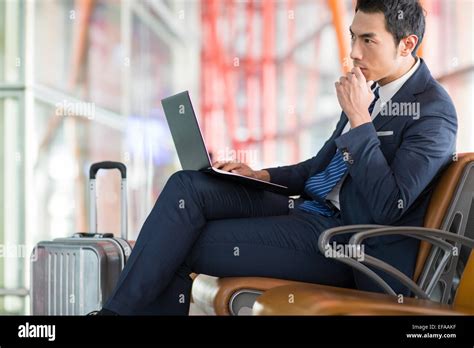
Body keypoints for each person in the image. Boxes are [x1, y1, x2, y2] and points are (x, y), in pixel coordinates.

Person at [90, 0, 457, 315]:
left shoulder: (433, 112)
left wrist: (360, 119)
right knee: (188, 186)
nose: (354, 52)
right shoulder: (371, 89)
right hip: (305, 209)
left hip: (345, 242)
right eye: (352, 36)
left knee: (182, 241)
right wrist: (260, 175)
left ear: (407, 44)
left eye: (368, 40)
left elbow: (389, 206)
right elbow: (321, 168)